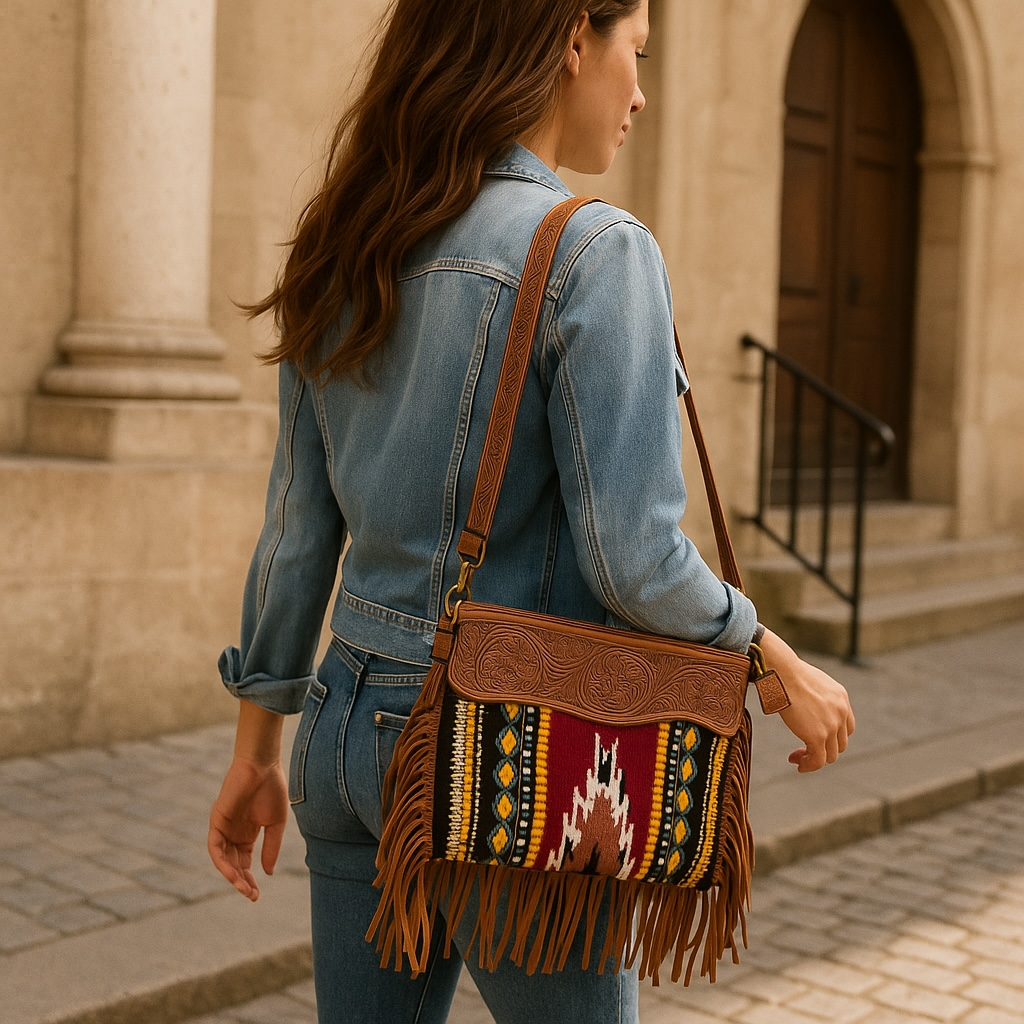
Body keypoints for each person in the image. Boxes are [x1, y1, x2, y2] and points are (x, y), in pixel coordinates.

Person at [208, 1, 856, 1021]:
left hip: (345, 734)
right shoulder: (596, 251)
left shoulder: (346, 241)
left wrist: (254, 752)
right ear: (570, 42)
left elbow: (295, 537)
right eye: (636, 52)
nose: (640, 93)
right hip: (510, 749)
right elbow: (634, 559)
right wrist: (769, 655)